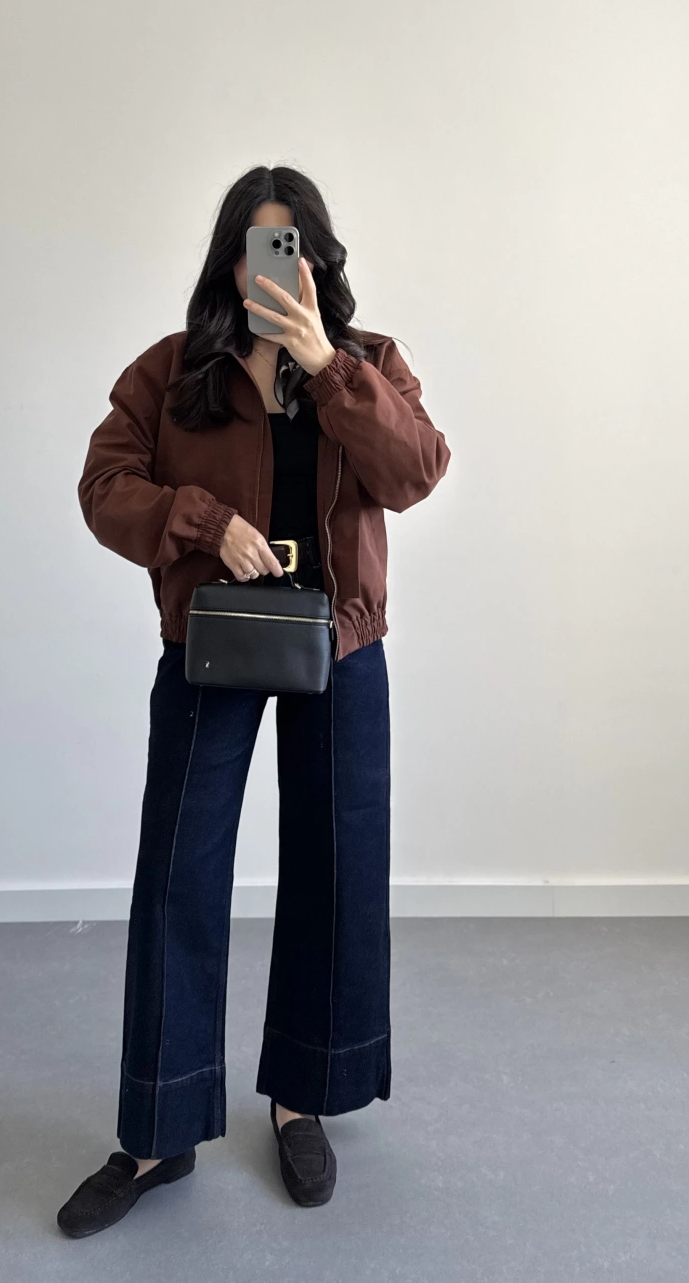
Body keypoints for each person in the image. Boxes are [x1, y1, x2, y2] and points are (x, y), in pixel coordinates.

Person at [57, 165, 451, 1236]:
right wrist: (201, 522)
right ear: (230, 261)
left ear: (319, 260)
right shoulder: (174, 371)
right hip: (214, 640)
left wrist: (327, 366)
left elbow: (417, 471)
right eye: (257, 246)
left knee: (337, 865)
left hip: (341, 640)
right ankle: (159, 1132)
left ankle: (301, 1098)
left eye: (295, 246)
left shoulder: (369, 363)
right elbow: (104, 486)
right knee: (178, 874)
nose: (276, 265)